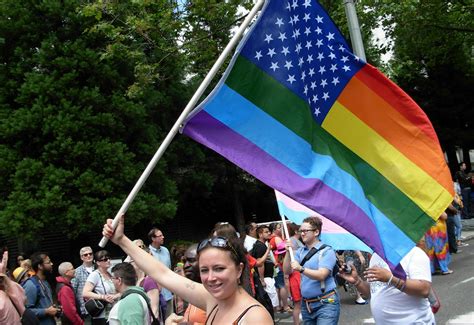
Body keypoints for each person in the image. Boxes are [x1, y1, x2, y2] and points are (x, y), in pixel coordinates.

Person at [103, 215, 273, 324]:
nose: (211, 277)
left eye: (219, 268)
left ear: (238, 269)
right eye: (205, 270)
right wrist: (121, 240)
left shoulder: (255, 318)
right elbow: (163, 274)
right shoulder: (212, 298)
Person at [338, 245, 434, 324]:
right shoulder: (376, 256)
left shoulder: (414, 253)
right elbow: (374, 291)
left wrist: (391, 278)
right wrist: (357, 281)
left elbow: (424, 289)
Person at [283, 216, 340, 324]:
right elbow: (287, 271)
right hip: (307, 304)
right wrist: (287, 253)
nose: (302, 233)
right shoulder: (300, 251)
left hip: (326, 302)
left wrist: (301, 269)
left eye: (305, 231)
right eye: (301, 231)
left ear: (316, 232)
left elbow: (322, 274)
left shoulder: (327, 251)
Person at [23, 252, 61, 325]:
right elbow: (26, 312)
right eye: (48, 262)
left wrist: (54, 310)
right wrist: (46, 311)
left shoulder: (45, 282)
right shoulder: (31, 285)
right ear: (40, 266)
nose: (51, 264)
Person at [82, 250, 119, 325]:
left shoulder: (110, 274)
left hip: (113, 313)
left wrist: (115, 296)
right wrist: (103, 297)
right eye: (105, 259)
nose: (108, 261)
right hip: (102, 316)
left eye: (109, 258)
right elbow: (85, 293)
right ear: (98, 263)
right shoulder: (94, 275)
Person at [251, 225, 279, 311]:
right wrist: (262, 279)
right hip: (265, 278)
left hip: (267, 276)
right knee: (271, 300)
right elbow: (260, 263)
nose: (269, 233)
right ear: (260, 234)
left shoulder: (261, 245)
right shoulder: (260, 246)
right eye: (266, 232)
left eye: (269, 231)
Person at [148, 227, 173, 318]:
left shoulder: (166, 250)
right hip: (156, 295)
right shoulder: (148, 253)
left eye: (162, 235)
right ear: (153, 239)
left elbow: (169, 270)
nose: (163, 237)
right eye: (160, 236)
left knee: (171, 320)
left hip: (169, 292)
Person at [181, 243, 207, 325]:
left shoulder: (216, 294)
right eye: (184, 262)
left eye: (191, 260)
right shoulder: (193, 293)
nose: (186, 265)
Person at [71, 246, 95, 322]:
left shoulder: (99, 268)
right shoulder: (77, 272)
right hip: (86, 309)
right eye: (85, 254)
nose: (88, 256)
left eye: (90, 253)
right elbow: (72, 291)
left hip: (101, 306)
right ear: (81, 257)